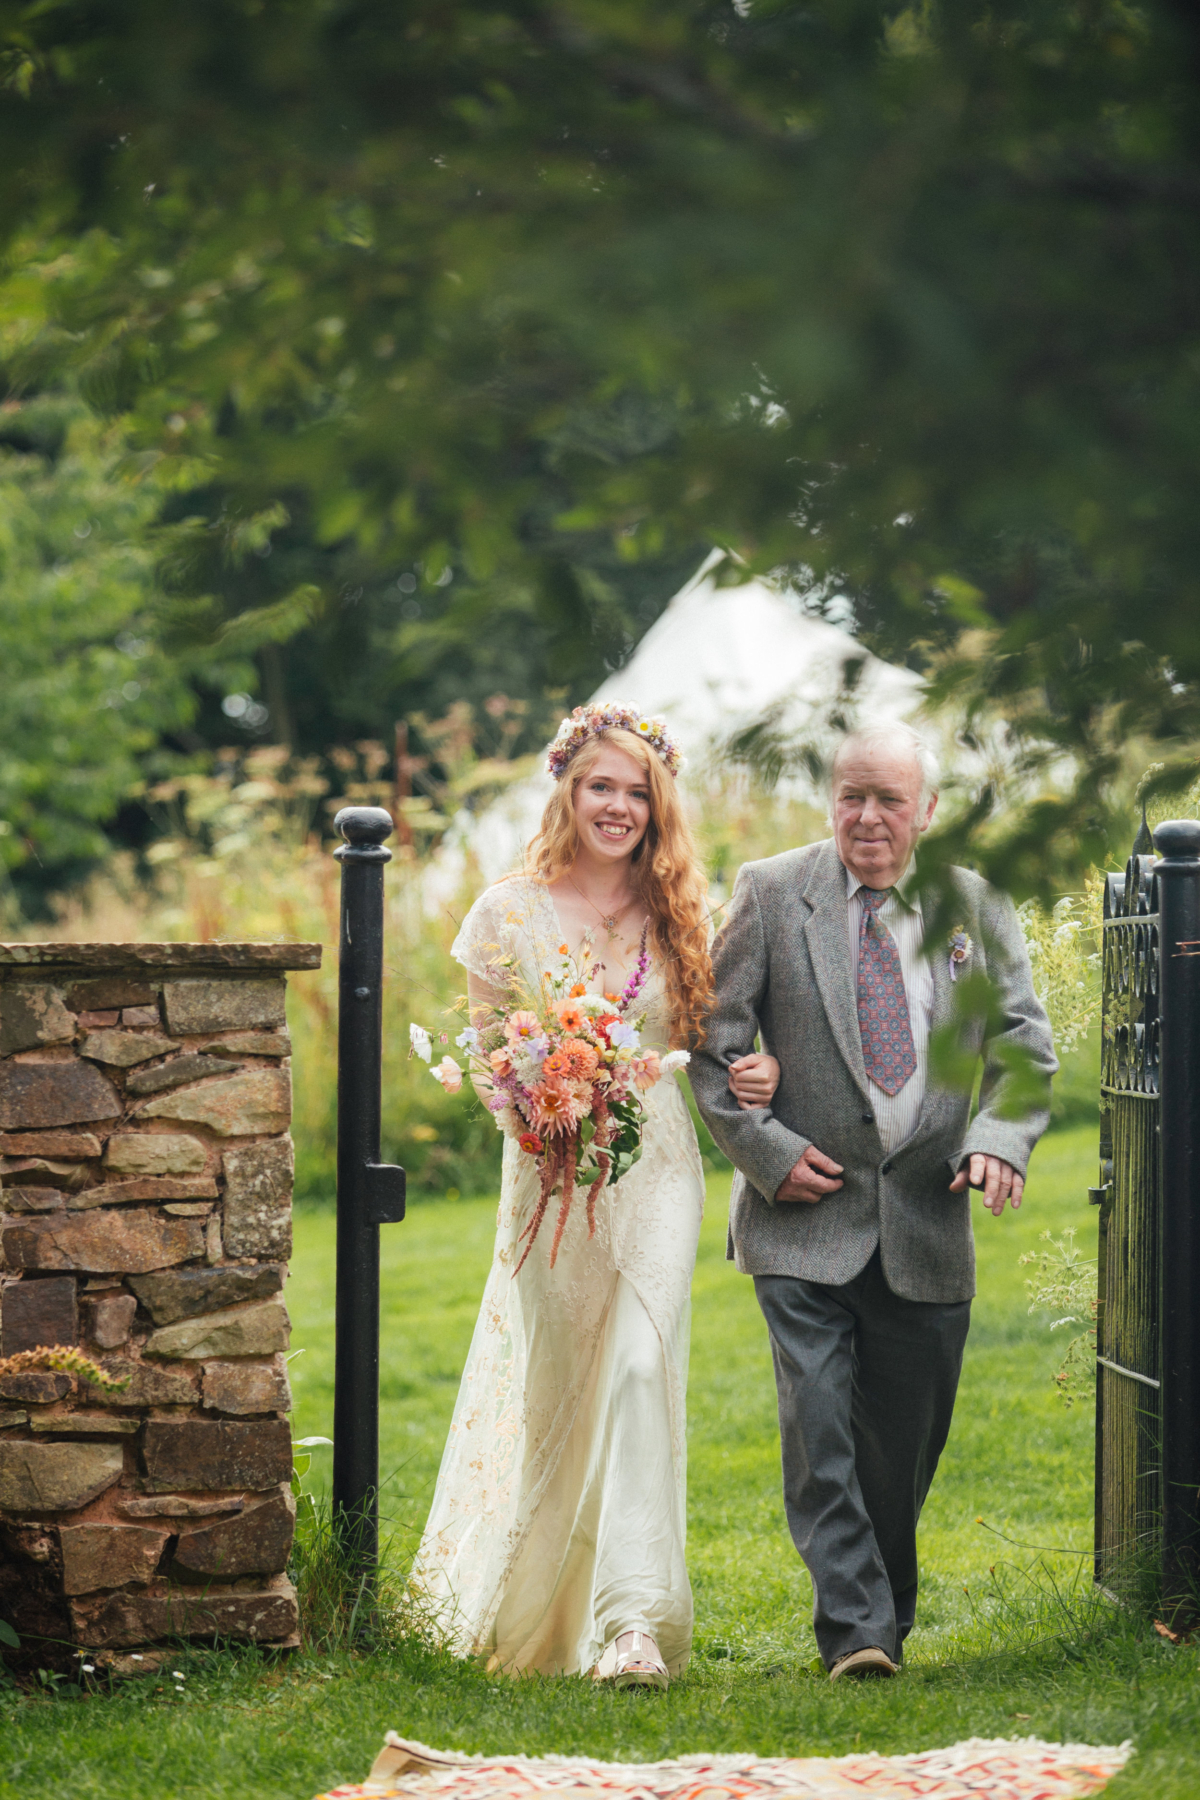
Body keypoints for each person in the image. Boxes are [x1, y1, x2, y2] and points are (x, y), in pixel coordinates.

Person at [413, 702, 779, 1688]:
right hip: (547, 1177)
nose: (618, 806)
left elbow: (710, 1043)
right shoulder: (504, 912)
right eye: (600, 787)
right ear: (567, 792)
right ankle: (540, 1616)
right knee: (557, 1395)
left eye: (636, 792)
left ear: (659, 808)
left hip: (655, 1168)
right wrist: (535, 1106)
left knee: (636, 1373)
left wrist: (749, 1076)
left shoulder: (677, 914)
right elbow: (488, 1054)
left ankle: (632, 1626)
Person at [690, 721, 1057, 1680]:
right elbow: (715, 1043)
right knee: (819, 1426)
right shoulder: (773, 893)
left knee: (900, 1446)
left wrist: (997, 1142)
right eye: (852, 795)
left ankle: (882, 1609)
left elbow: (1020, 1046)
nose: (866, 817)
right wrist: (767, 1153)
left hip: (928, 1219)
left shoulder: (973, 904)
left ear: (925, 811)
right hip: (800, 1220)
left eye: (888, 800)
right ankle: (855, 1631)